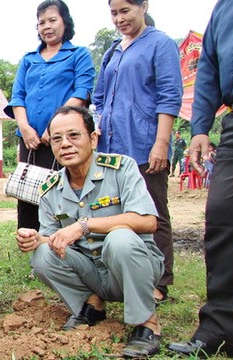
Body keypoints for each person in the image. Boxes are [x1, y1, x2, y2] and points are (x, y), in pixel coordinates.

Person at [16, 106, 164, 358]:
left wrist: (86, 225)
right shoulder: (51, 188)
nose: (65, 144)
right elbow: (53, 239)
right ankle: (92, 303)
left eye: (74, 136)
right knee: (42, 253)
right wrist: (35, 239)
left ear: (93, 139)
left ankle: (147, 323)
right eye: (57, 139)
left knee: (119, 238)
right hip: (92, 272)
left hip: (133, 265)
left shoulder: (121, 168)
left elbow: (148, 221)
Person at [168, 2, 233, 357]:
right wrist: (200, 127)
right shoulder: (226, 8)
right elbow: (209, 68)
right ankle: (220, 331)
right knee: (225, 218)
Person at [92, 0, 182, 303]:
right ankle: (118, 274)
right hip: (111, 149)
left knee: (153, 211)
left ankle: (160, 280)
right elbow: (100, 96)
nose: (119, 19)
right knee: (114, 211)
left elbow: (170, 96)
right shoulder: (112, 51)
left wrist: (161, 142)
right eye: (114, 13)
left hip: (144, 145)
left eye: (125, 11)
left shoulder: (161, 44)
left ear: (143, 7)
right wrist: (102, 120)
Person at [5, 0, 95, 232]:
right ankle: (33, 248)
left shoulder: (79, 54)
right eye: (41, 22)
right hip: (30, 140)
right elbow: (18, 96)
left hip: (63, 138)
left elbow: (82, 92)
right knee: (28, 195)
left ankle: (66, 244)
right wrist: (24, 128)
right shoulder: (28, 59)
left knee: (63, 191)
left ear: (65, 22)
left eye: (52, 20)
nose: (46, 26)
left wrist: (54, 129)